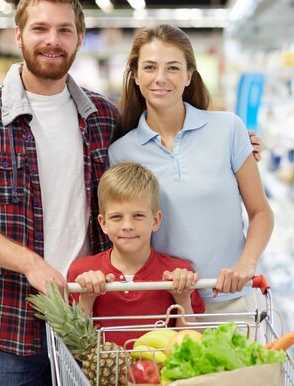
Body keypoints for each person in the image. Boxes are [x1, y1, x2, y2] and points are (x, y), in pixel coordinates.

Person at [0, 0, 118, 386]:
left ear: (79, 38)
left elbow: (146, 166)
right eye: (40, 29)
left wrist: (228, 146)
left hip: (90, 323)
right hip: (9, 325)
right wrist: (31, 264)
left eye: (64, 30)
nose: (52, 40)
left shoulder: (103, 117)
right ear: (18, 35)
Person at [108, 24, 274, 318]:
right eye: (149, 67)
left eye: (173, 68)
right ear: (135, 76)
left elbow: (260, 212)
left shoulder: (228, 129)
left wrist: (246, 264)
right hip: (163, 306)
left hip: (232, 301)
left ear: (188, 76)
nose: (160, 78)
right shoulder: (121, 152)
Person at [67, 162, 205, 346]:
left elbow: (192, 344)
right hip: (100, 374)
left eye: (138, 216)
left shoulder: (178, 272)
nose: (127, 225)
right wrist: (87, 299)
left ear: (155, 221)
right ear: (103, 223)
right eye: (116, 217)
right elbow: (74, 347)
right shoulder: (82, 272)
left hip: (160, 373)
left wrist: (182, 299)